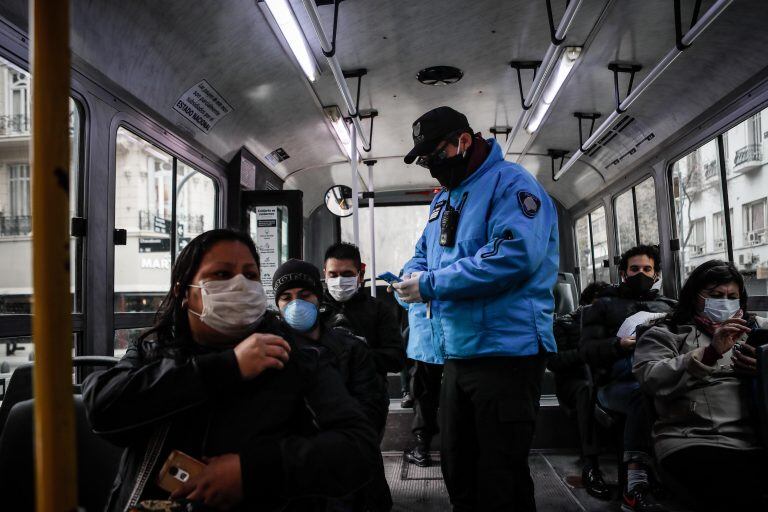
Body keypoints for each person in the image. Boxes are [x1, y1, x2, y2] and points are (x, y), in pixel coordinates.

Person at [82, 229, 378, 512]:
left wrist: (251, 471)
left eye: (250, 275)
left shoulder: (293, 357)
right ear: (184, 291)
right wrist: (228, 367)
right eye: (222, 274)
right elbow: (104, 407)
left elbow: (357, 449)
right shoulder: (154, 349)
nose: (240, 285)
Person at [394, 106, 559, 511]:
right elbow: (421, 254)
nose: (432, 168)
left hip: (507, 351)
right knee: (457, 464)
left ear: (463, 142)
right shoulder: (445, 200)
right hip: (458, 352)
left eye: (435, 157)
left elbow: (512, 256)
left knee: (500, 473)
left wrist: (430, 284)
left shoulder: (512, 184)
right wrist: (413, 276)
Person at [633, 260, 768, 511]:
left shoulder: (755, 330)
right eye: (716, 295)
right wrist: (709, 353)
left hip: (756, 436)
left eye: (732, 296)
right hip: (695, 438)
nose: (725, 302)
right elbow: (651, 377)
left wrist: (764, 367)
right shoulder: (666, 333)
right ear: (694, 297)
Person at [273, 258, 391, 512]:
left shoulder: (352, 348)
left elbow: (370, 415)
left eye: (305, 294)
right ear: (277, 305)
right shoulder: (272, 352)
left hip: (355, 481)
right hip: (297, 485)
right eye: (286, 297)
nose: (296, 304)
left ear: (318, 297)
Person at [579, 245, 676, 512]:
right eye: (635, 269)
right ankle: (635, 485)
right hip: (616, 383)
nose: (641, 274)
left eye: (647, 269)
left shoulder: (669, 307)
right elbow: (586, 350)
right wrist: (617, 344)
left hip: (660, 375)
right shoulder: (603, 306)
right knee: (641, 393)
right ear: (623, 273)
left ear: (656, 275)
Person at [548, 281, 611, 500]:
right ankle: (590, 463)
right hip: (574, 383)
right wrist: (587, 352)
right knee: (586, 390)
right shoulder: (564, 324)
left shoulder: (611, 325)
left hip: (605, 381)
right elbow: (554, 362)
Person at [320, 242, 406, 401]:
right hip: (324, 398)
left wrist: (359, 352)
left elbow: (396, 358)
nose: (339, 281)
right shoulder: (315, 310)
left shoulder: (379, 310)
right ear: (325, 274)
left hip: (369, 399)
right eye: (333, 275)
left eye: (347, 274)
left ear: (360, 275)